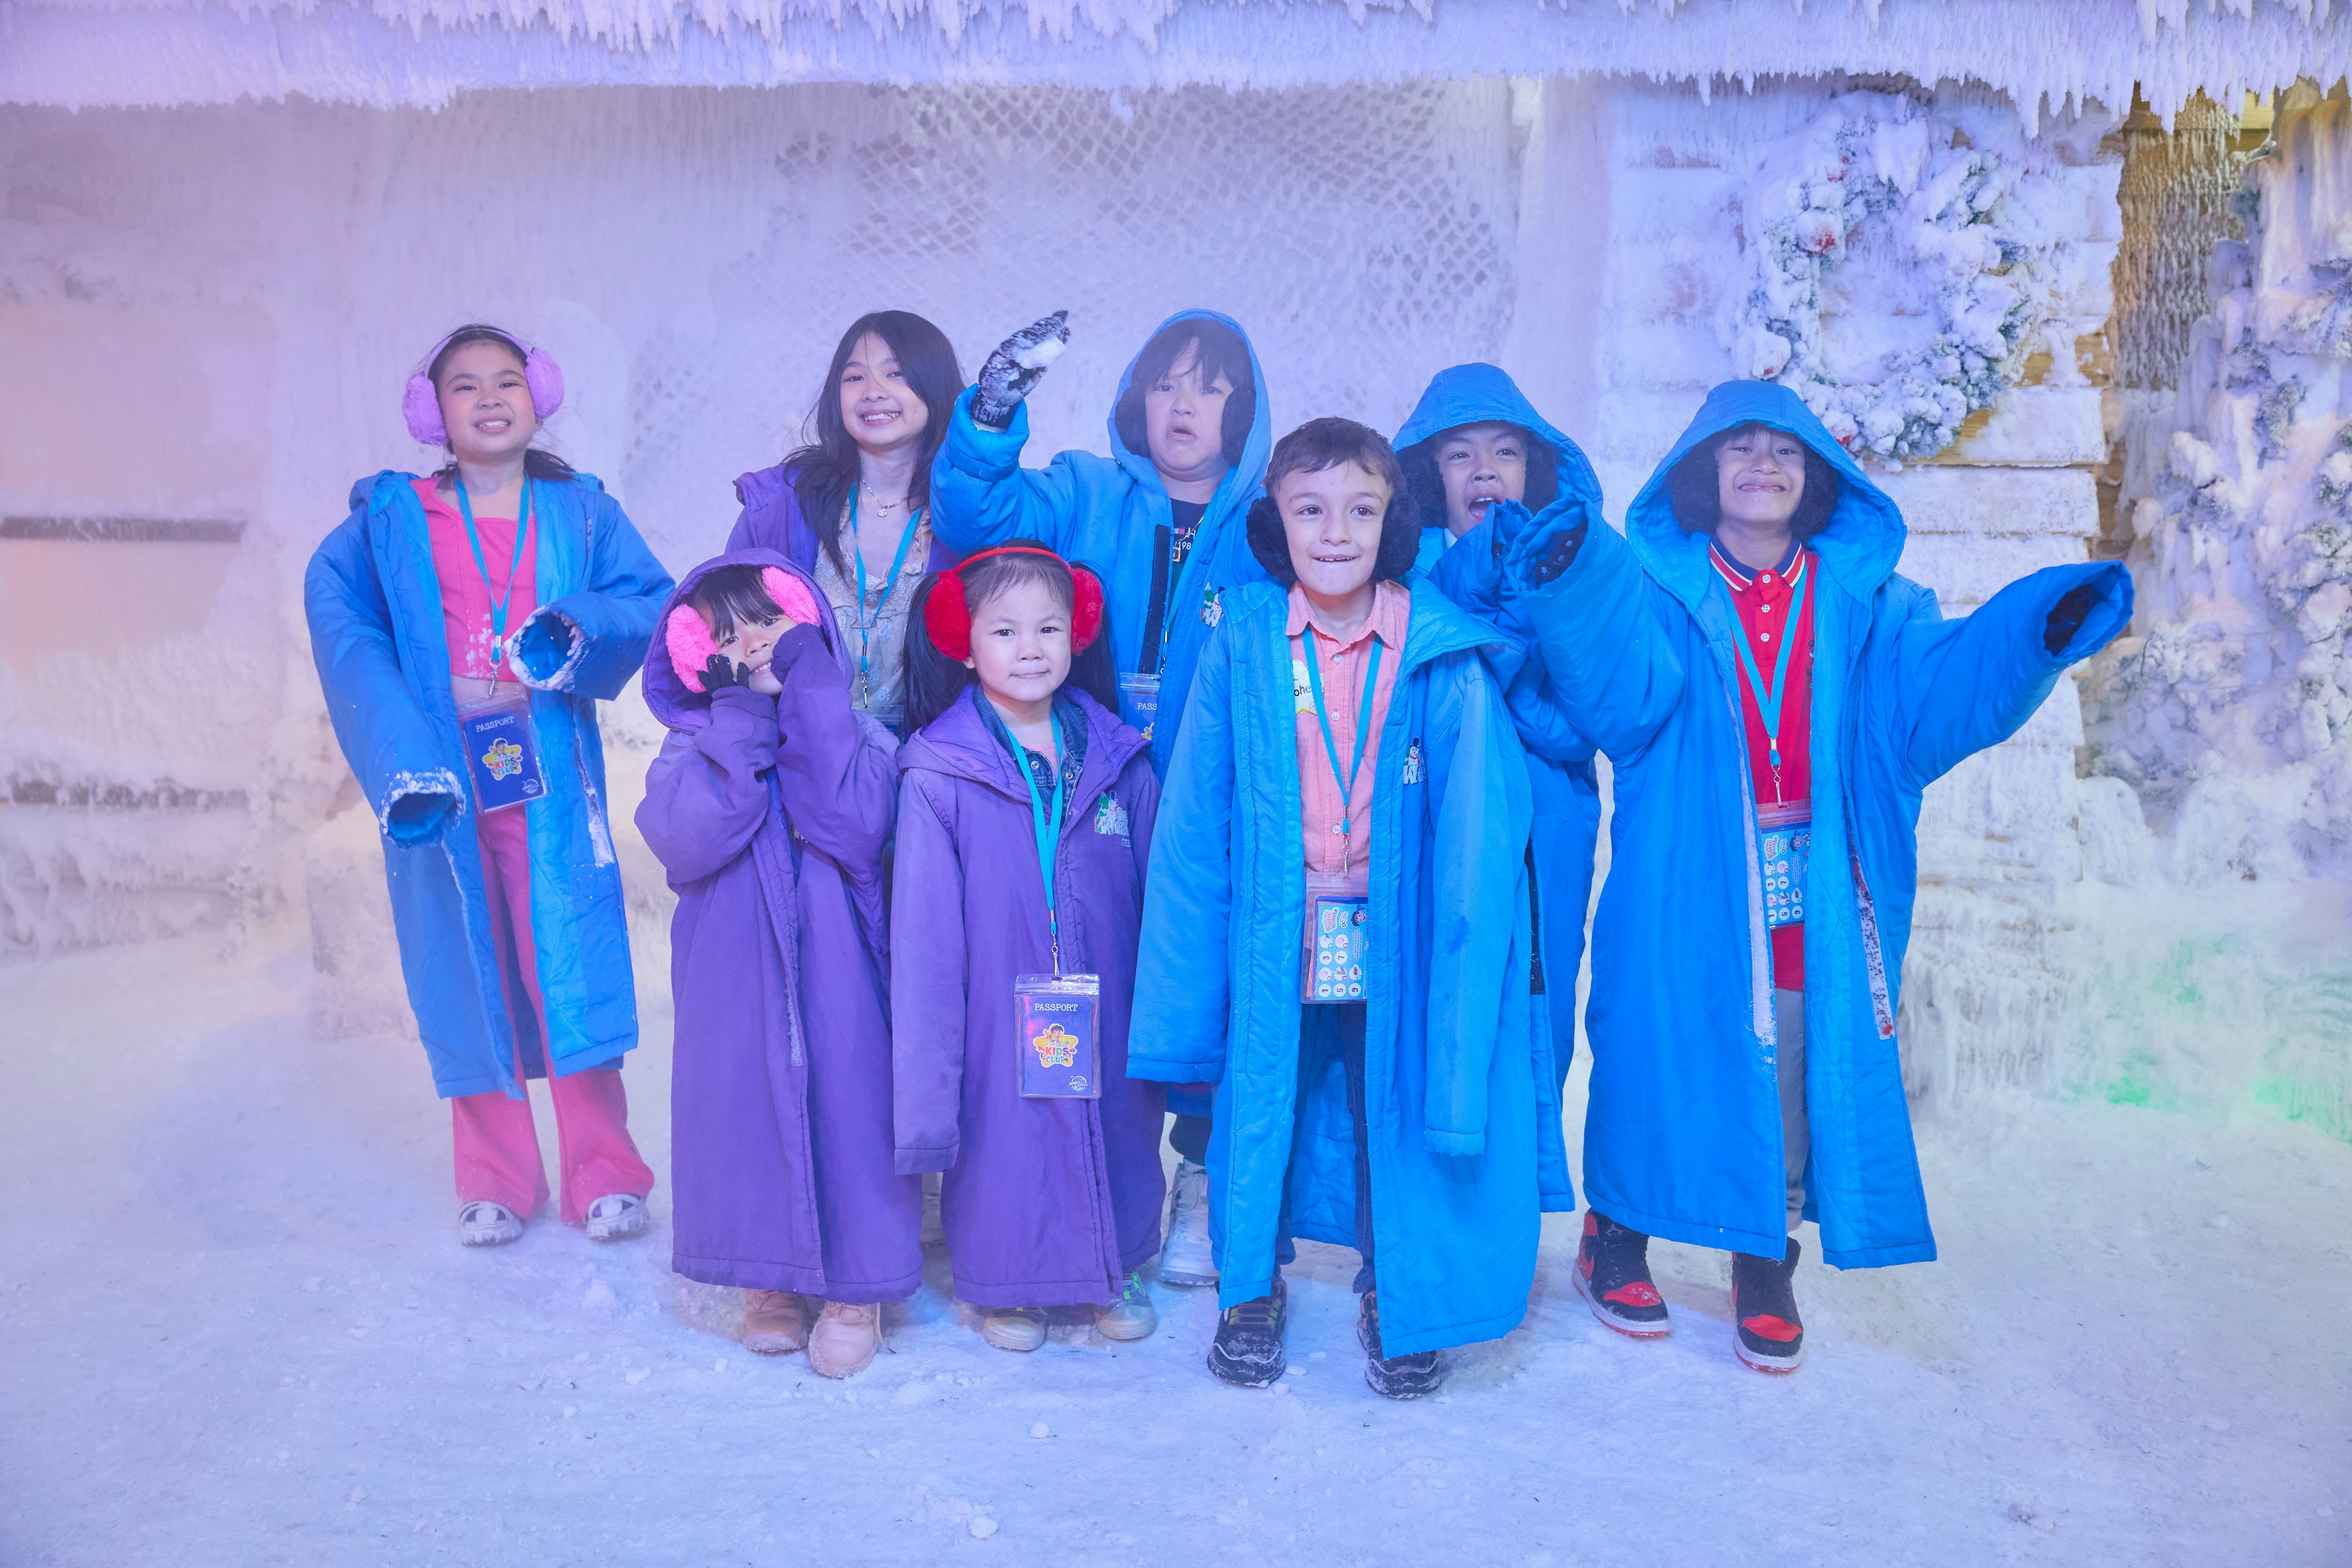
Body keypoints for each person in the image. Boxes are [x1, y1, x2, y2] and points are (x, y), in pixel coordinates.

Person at [1497, 379, 2133, 1372]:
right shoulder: (1656, 594)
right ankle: (1614, 1231)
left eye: (1786, 450)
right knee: (1652, 1043)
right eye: (1740, 447)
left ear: (1818, 477)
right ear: (1702, 471)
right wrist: (1569, 578)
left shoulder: (1871, 608)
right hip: (1682, 878)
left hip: (1814, 885)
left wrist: (2034, 630)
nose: (1764, 463)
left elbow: (1937, 694)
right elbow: (1615, 694)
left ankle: (1764, 1251)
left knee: (1792, 1058)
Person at [1128, 418, 1565, 1400]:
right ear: (1275, 523)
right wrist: (1185, 990)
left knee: (1389, 1114)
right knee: (1259, 1110)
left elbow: (1476, 831)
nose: (1334, 533)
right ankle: (1249, 1290)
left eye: (1359, 511)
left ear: (1392, 520)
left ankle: (1395, 1294)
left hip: (1396, 931)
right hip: (1273, 928)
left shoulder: (1438, 649)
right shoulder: (1243, 641)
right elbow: (1196, 818)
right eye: (1310, 510)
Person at [305, 324, 673, 1248]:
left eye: (507, 380)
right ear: (432, 411)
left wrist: (577, 625)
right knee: (466, 965)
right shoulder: (396, 518)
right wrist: (396, 740)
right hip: (445, 777)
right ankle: (495, 1179)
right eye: (464, 385)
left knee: (568, 965)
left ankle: (604, 1173)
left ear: (537, 397)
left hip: (547, 773)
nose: (489, 398)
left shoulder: (580, 512)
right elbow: (338, 606)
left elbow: (650, 599)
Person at [931, 308, 1275, 1290]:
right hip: (1084, 786)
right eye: (1165, 383)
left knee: (1209, 979)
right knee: (1084, 978)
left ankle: (1199, 1177)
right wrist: (989, 415)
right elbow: (974, 525)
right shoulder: (1083, 491)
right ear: (1134, 398)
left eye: (1210, 386)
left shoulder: (1266, 525)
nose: (1183, 404)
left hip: (1215, 801)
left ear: (1243, 410)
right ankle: (1065, 1178)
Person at [636, 553, 916, 1378]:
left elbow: (851, 824)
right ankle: (770, 1278)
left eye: (769, 623)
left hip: (842, 973)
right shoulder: (689, 749)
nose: (751, 643)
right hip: (734, 983)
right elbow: (690, 840)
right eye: (725, 635)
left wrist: (813, 693)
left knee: (852, 1114)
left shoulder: (861, 737)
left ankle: (855, 1288)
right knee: (745, 1115)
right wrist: (737, 721)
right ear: (698, 656)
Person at [890, 543, 1166, 1352]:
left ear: (1076, 634)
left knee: (1119, 1128)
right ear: (963, 641)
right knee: (1004, 1143)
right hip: (992, 1006)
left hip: (1107, 998)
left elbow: (1159, 897)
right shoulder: (938, 773)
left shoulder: (1121, 760)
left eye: (1048, 627)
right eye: (1004, 631)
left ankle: (1116, 1266)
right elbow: (925, 936)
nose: (1030, 648)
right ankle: (1005, 1281)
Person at [1393, 364, 1604, 1172]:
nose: (1484, 470)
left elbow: (1584, 721)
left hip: (1545, 824)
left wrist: (1496, 662)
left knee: (1534, 1004)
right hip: (1432, 816)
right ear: (1428, 475)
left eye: (1505, 451)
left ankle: (1520, 1189)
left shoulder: (1568, 573)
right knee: (1434, 999)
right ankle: (1423, 1198)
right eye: (1460, 454)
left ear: (1533, 469)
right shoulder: (1399, 581)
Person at [727, 310, 966, 736]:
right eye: (855, 378)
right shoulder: (780, 506)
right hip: (803, 753)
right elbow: (726, 631)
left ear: (936, 384)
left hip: (939, 758)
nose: (873, 392)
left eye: (896, 374)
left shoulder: (972, 511)